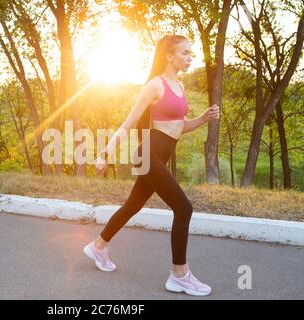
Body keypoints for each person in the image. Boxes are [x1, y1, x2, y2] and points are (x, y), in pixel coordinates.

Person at [83, 35, 220, 296]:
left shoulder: (179, 86)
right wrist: (105, 154)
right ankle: (179, 275)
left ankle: (98, 246)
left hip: (159, 157)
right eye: (185, 53)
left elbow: (178, 127)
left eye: (191, 53)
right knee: (184, 208)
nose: (190, 57)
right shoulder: (154, 86)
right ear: (169, 55)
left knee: (133, 205)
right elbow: (127, 123)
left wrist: (202, 119)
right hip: (147, 155)